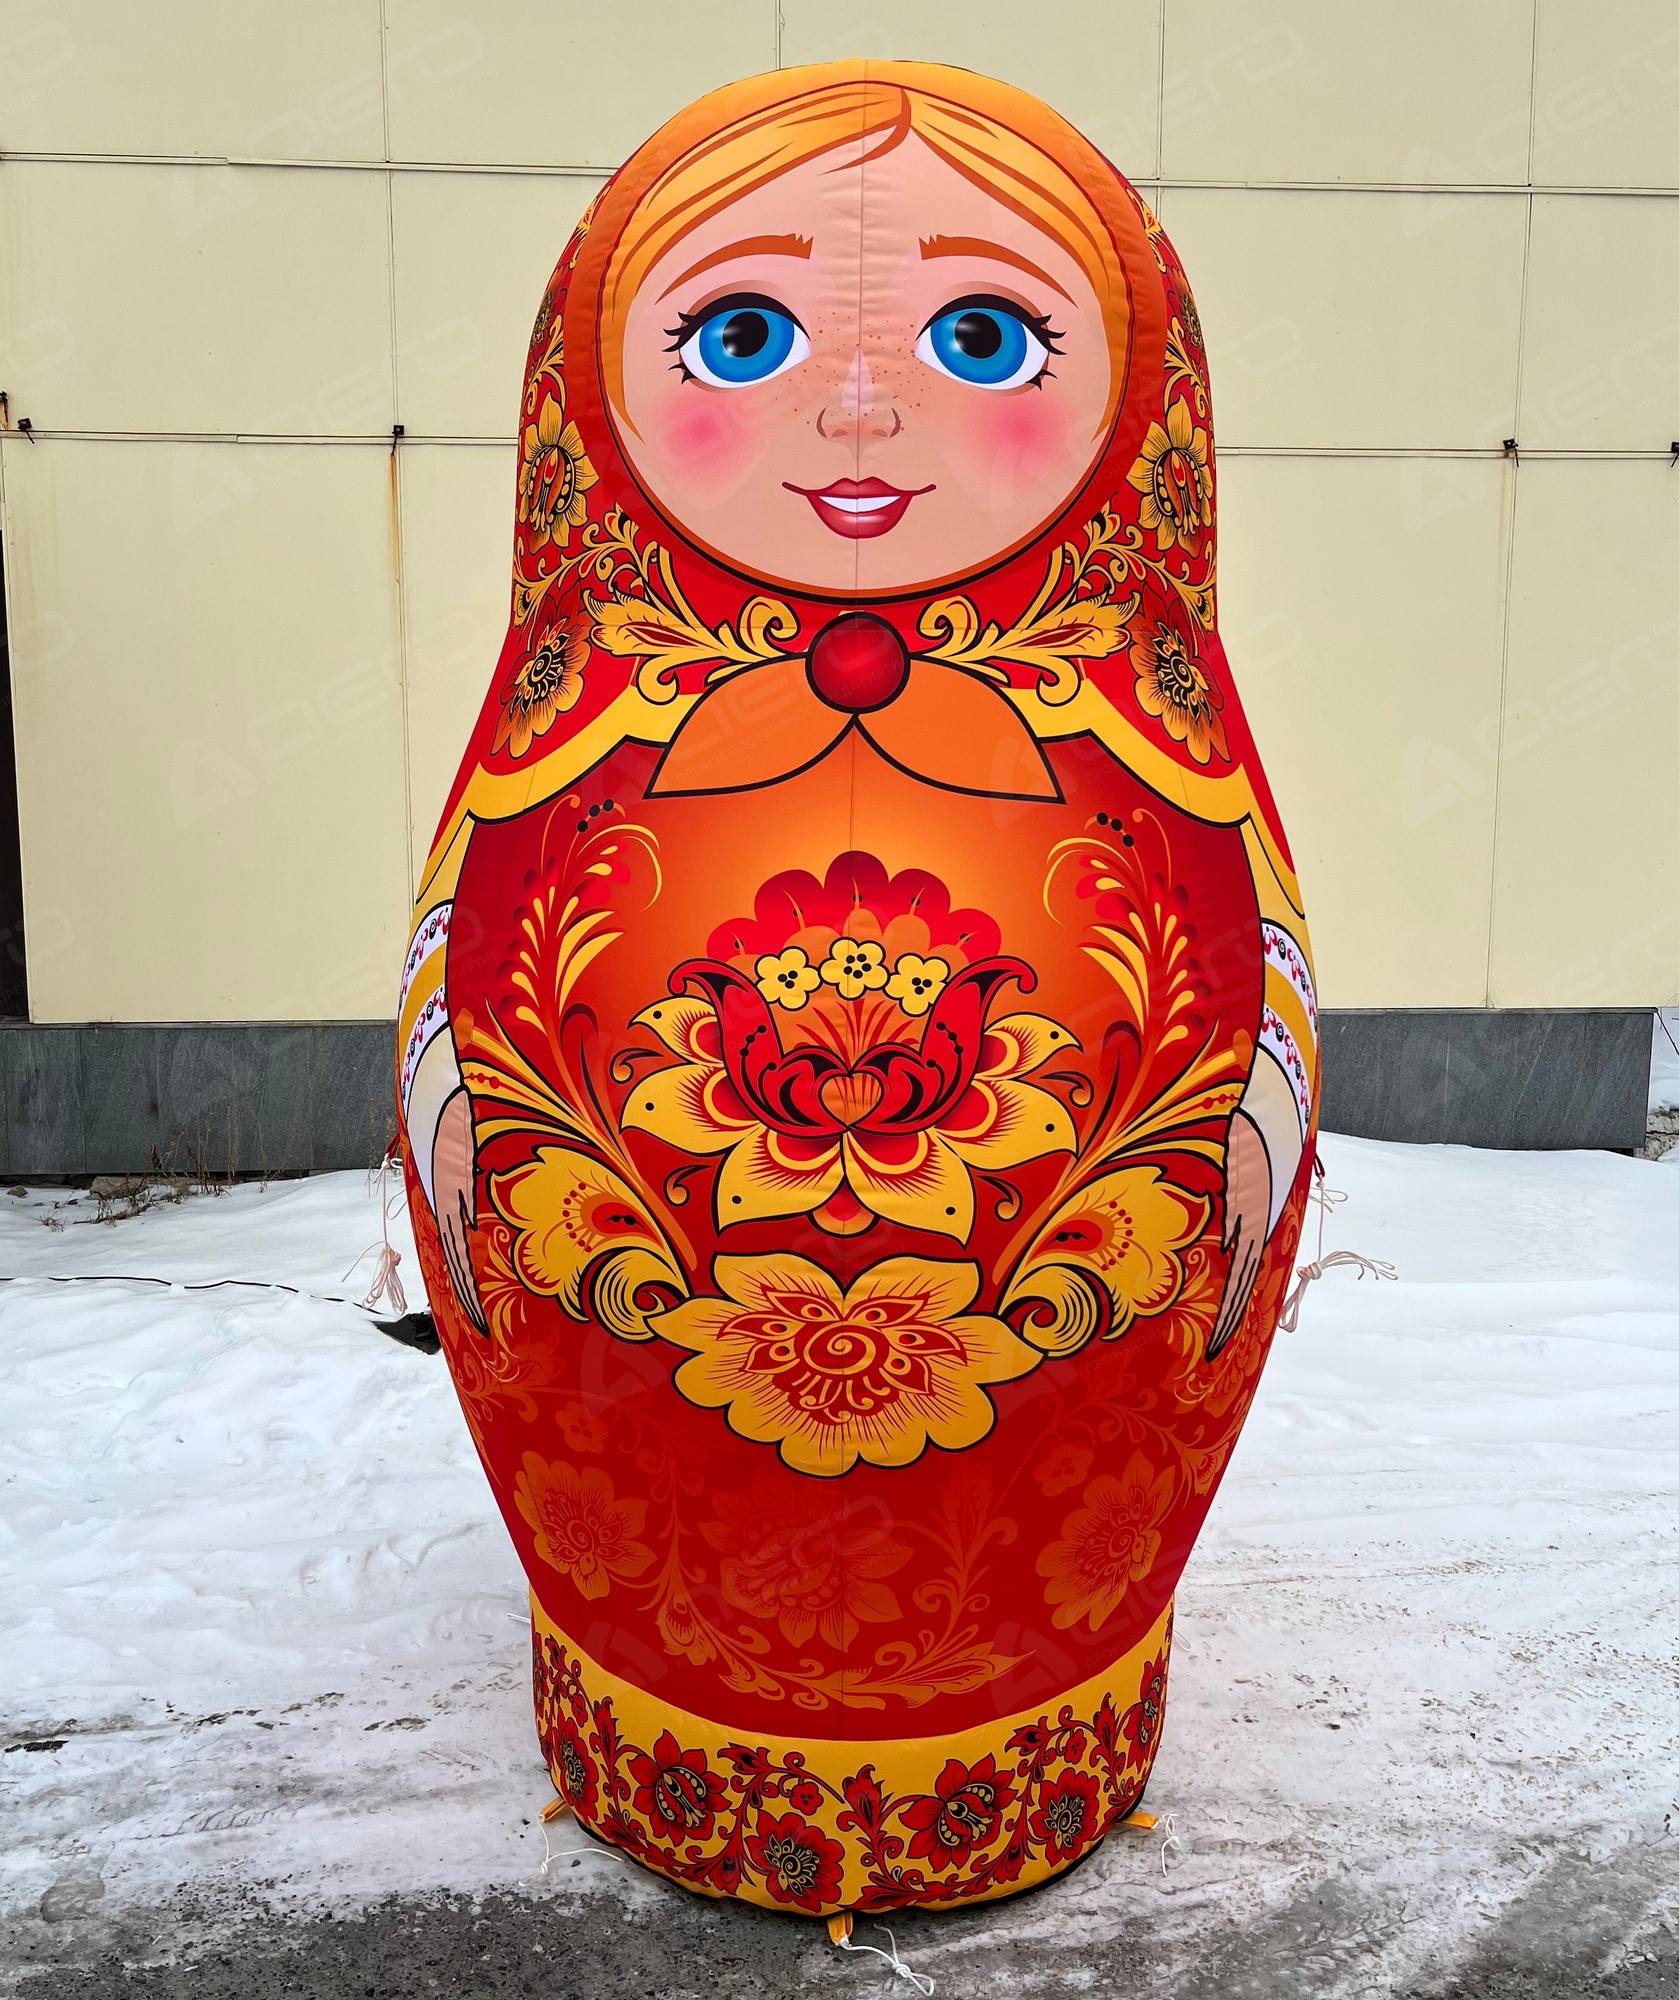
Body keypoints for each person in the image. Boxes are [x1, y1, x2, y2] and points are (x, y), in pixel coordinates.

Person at [395, 62, 1318, 1914]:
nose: (865, 408)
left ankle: (1032, 1710)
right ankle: (661, 1702)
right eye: (740, 335)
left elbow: (1253, 1035)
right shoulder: (578, 713)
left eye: (986, 336)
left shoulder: (1145, 720)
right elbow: (459, 1032)